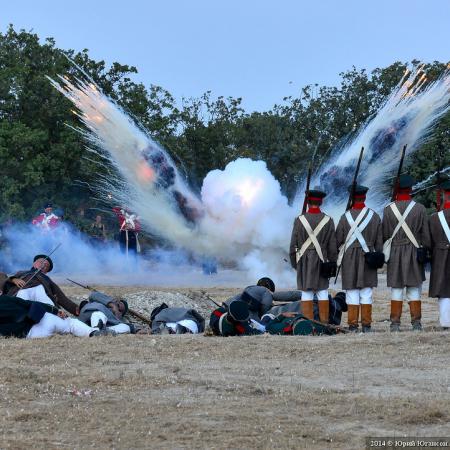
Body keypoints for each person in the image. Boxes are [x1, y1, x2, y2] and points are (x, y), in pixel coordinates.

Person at [382, 174, 431, 331]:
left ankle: (395, 324)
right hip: (413, 252)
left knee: (396, 289)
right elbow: (426, 236)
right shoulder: (420, 209)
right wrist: (426, 250)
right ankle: (416, 323)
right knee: (414, 289)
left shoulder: (388, 210)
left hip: (395, 252)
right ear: (410, 189)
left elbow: (385, 234)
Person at [336, 185, 383, 332]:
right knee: (366, 292)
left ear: (352, 198)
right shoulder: (374, 216)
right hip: (368, 256)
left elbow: (338, 240)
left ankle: (353, 325)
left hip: (349, 258)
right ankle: (367, 325)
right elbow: (379, 242)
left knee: (351, 292)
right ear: (364, 197)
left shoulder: (345, 217)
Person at [289, 189, 337, 323]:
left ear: (308, 202)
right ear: (320, 202)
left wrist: (295, 264)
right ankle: (324, 323)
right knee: (322, 292)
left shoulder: (299, 220)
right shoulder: (328, 220)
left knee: (306, 293)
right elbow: (332, 247)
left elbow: (293, 246)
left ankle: (308, 323)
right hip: (322, 261)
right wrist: (332, 263)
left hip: (304, 262)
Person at [0, 295, 112, 338]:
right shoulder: (6, 299)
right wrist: (54, 310)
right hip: (40, 319)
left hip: (32, 334)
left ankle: (95, 331)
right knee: (71, 324)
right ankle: (93, 333)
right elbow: (29, 303)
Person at [2, 255, 79, 316]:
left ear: (46, 272)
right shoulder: (22, 273)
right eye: (41, 262)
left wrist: (75, 309)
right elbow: (6, 282)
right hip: (23, 291)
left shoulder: (47, 279)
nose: (43, 265)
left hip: (41, 292)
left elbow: (61, 297)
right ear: (34, 263)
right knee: (19, 307)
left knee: (52, 309)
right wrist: (14, 279)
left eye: (46, 266)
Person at [429, 179, 450, 329]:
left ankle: (445, 322)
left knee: (444, 290)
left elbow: (429, 241)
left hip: (441, 255)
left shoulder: (434, 218)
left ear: (444, 196)